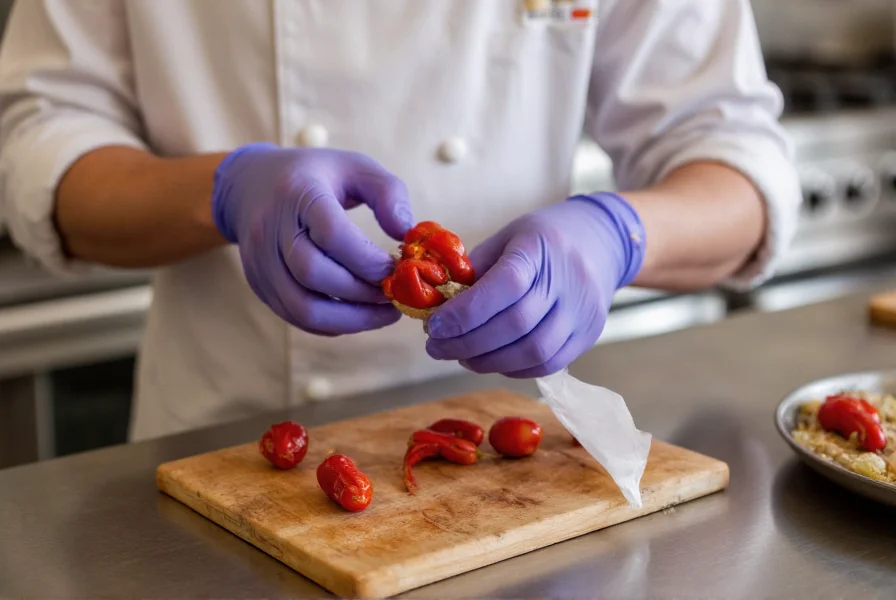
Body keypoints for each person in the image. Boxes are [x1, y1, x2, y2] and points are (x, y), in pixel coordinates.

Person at [0, 0, 800, 441]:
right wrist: (224, 190)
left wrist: (618, 235)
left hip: (507, 459)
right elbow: (40, 148)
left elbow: (737, 162)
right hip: (227, 440)